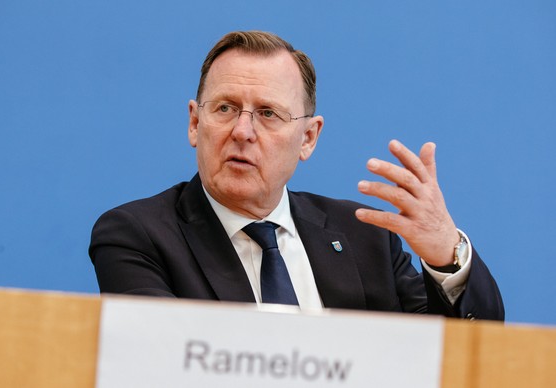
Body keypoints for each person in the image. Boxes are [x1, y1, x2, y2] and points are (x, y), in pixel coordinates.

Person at [89, 31, 504, 320]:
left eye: (268, 114)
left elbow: (463, 355)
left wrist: (446, 256)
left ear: (308, 138)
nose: (242, 131)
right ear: (195, 123)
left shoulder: (367, 239)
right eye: (225, 108)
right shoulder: (136, 235)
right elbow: (160, 358)